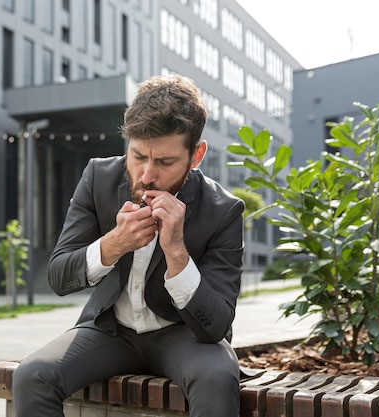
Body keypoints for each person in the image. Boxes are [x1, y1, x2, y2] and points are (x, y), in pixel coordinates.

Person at [12, 73, 245, 417]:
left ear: (196, 156)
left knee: (217, 377)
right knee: (31, 376)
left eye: (165, 162)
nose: (146, 175)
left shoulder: (223, 210)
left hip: (182, 336)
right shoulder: (98, 178)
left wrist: (177, 252)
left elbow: (216, 326)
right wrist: (113, 245)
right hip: (110, 332)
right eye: (137, 156)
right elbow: (59, 277)